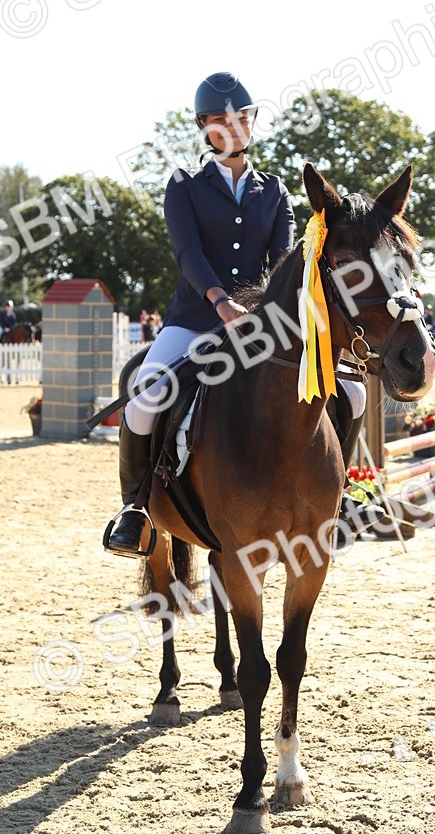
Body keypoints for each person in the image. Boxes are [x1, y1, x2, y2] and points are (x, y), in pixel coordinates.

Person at [105, 71, 382, 557]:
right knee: (146, 395)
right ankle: (136, 509)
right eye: (219, 120)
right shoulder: (184, 185)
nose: (231, 127)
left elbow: (283, 262)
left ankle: (340, 492)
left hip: (262, 325)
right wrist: (219, 300)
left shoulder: (273, 191)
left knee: (354, 392)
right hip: (194, 318)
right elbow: (188, 253)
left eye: (240, 118)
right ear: (204, 126)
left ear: (251, 121)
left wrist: (267, 311)